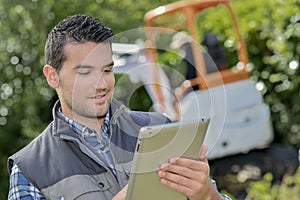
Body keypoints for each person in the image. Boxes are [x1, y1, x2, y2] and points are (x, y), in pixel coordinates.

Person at [7, 14, 231, 200]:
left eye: (107, 70)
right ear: (52, 76)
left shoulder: (163, 128)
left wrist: (208, 194)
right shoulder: (29, 170)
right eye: (85, 72)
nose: (102, 84)